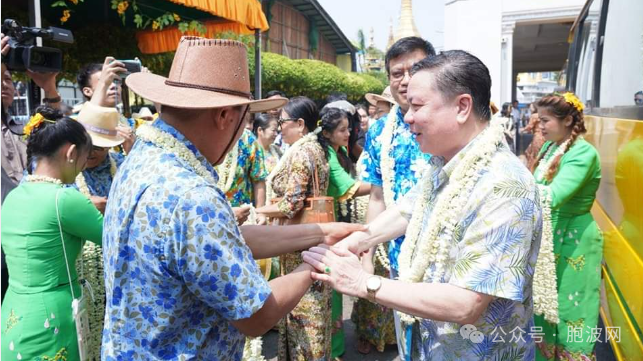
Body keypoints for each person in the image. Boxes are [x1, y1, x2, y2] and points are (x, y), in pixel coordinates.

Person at [103, 37, 364, 360]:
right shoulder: (192, 197)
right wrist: (321, 259)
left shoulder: (143, 160)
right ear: (226, 116)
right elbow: (257, 314)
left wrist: (321, 233)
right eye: (245, 122)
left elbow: (227, 239)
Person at [303, 50, 544, 361]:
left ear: (462, 106)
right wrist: (362, 239)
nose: (407, 116)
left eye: (417, 106)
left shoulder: (503, 186)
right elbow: (410, 207)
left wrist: (364, 283)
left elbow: (466, 303)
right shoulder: (444, 164)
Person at [1, 106, 103, 360]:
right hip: (52, 317)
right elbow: (116, 240)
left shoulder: (13, 197)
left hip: (13, 312)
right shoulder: (65, 199)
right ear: (71, 152)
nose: (81, 169)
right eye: (84, 158)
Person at [359, 36, 435, 359]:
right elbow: (377, 195)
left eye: (414, 69)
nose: (405, 80)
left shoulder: (447, 122)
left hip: (444, 257)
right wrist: (366, 249)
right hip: (399, 255)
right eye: (396, 73)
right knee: (408, 344)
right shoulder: (378, 133)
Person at [255, 96, 333, 360]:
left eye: (283, 121)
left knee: (303, 312)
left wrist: (258, 210)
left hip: (299, 244)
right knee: (314, 310)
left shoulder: (301, 152)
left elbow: (291, 205)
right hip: (313, 239)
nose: (279, 127)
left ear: (300, 125)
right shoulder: (317, 149)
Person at [531, 92, 603, 361]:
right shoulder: (551, 147)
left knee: (572, 311)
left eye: (546, 120)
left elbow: (553, 196)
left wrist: (509, 194)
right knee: (545, 309)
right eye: (539, 120)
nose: (540, 126)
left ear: (568, 120)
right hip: (552, 237)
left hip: (575, 243)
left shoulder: (583, 153)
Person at [318, 106, 372, 359]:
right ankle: (333, 349)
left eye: (349, 128)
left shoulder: (336, 150)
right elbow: (348, 187)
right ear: (327, 133)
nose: (348, 133)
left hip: (333, 220)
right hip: (325, 225)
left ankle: (334, 346)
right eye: (342, 130)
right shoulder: (328, 153)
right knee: (331, 285)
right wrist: (382, 184)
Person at [73, 100, 126, 360]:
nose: (93, 152)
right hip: (83, 270)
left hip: (121, 269)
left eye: (100, 147)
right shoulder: (66, 171)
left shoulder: (124, 166)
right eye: (88, 146)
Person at [215, 111, 269, 224]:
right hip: (213, 216)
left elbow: (259, 179)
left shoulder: (248, 140)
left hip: (244, 218)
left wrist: (260, 213)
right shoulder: (207, 136)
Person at [76, 58, 136, 153]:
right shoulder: (75, 124)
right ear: (87, 91)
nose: (113, 86)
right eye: (107, 81)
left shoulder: (134, 124)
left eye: (116, 81)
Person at [522, 103, 545, 170]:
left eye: (531, 107)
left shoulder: (534, 116)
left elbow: (529, 126)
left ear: (535, 107)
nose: (530, 108)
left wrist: (522, 130)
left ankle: (532, 170)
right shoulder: (542, 115)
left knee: (534, 155)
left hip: (537, 137)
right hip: (544, 137)